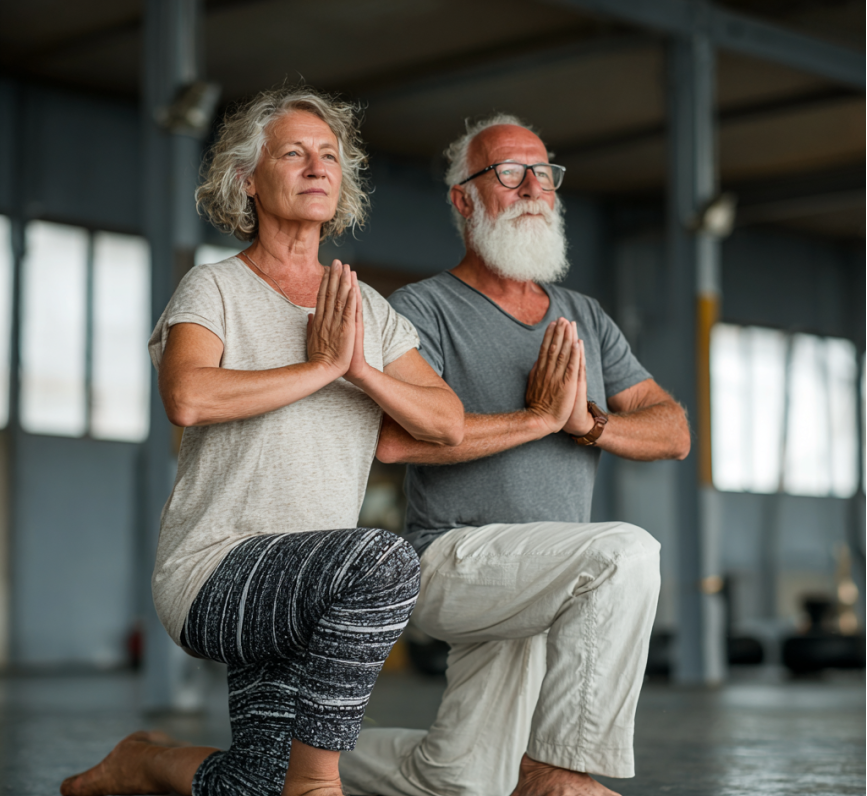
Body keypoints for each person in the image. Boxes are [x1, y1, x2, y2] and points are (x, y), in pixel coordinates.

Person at [60, 86, 464, 796]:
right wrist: (316, 367)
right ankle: (318, 785)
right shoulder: (213, 288)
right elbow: (188, 396)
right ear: (248, 179)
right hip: (215, 571)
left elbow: (445, 421)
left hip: (311, 585)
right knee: (384, 562)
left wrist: (361, 368)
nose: (317, 167)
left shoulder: (363, 310)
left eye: (329, 156)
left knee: (252, 784)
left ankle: (142, 762)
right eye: (294, 153)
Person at [339, 115, 691, 796]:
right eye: (507, 172)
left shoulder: (583, 315)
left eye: (543, 172)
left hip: (544, 577)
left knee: (459, 780)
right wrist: (536, 419)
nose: (532, 186)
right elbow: (393, 439)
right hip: (452, 561)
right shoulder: (425, 308)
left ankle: (254, 761)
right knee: (624, 553)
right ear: (463, 199)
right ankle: (558, 772)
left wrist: (587, 425)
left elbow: (671, 429)